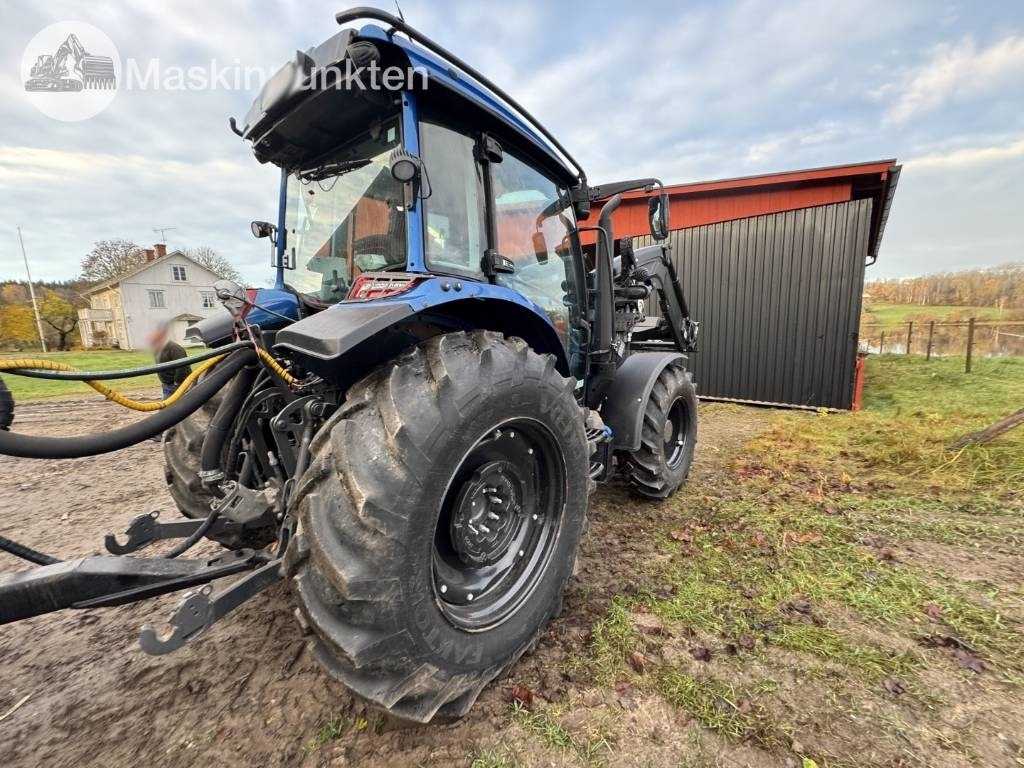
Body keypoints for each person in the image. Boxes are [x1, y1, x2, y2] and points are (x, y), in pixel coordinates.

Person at [147, 322, 191, 400]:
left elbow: (182, 367)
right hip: (166, 385)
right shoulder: (159, 348)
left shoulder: (174, 348)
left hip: (176, 386)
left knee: (172, 406)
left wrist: (177, 382)